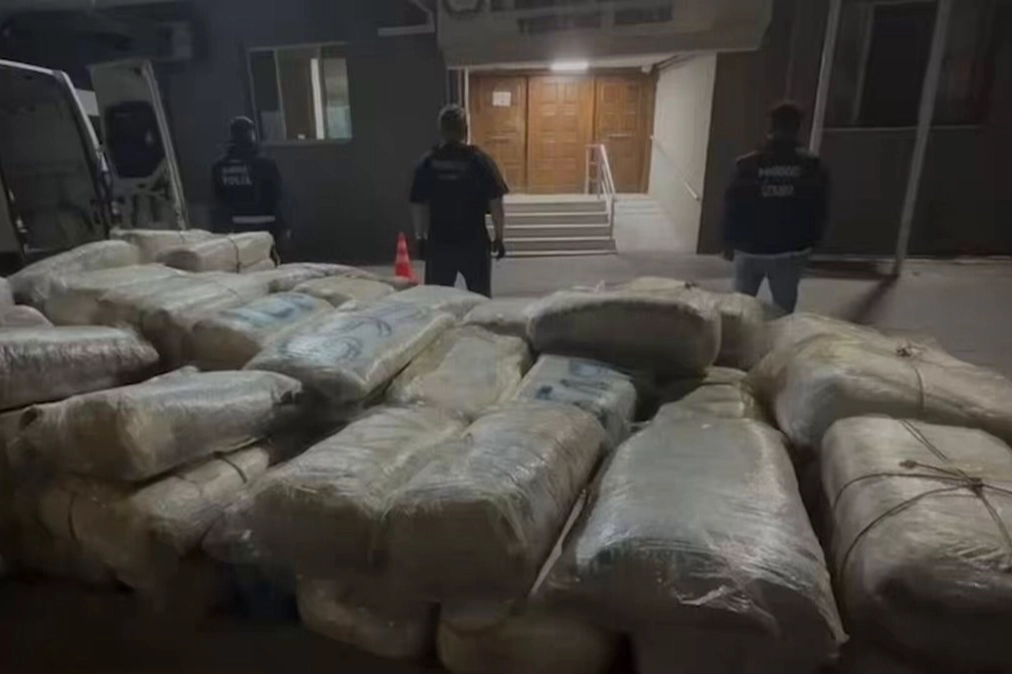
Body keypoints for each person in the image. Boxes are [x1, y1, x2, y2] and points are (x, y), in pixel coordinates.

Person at [723, 102, 830, 313]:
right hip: (789, 250)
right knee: (783, 312)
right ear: (798, 128)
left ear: (771, 127)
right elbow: (819, 209)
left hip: (749, 248)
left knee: (739, 311)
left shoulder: (747, 164)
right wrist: (812, 243)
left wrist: (728, 242)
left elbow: (732, 205)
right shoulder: (812, 166)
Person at [409, 104, 508, 298]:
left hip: (440, 244)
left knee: (437, 301)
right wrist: (499, 237)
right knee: (479, 300)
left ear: (441, 130)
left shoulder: (428, 162)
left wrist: (420, 238)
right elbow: (496, 204)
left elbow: (418, 205)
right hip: (474, 243)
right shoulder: (480, 161)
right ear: (465, 130)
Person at [211, 116, 287, 257]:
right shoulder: (266, 164)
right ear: (252, 134)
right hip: (267, 224)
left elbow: (218, 198)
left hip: (236, 225)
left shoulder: (219, 166)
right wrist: (283, 226)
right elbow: (278, 196)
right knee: (268, 260)